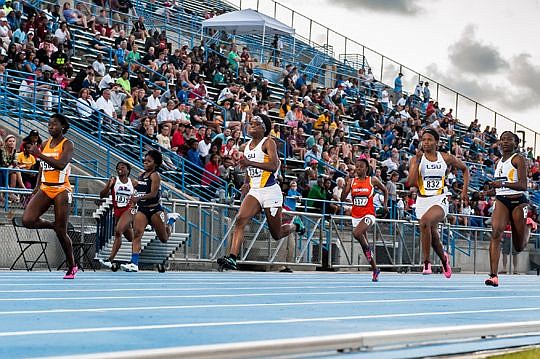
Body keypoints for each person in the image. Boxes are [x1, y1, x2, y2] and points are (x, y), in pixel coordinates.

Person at [217, 114, 305, 270]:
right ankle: (232, 257)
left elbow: (273, 165)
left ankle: (295, 225)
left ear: (264, 129)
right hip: (255, 190)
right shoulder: (246, 146)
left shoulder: (268, 143)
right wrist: (246, 183)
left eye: (256, 124)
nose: (251, 126)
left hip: (270, 191)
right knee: (240, 219)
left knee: (276, 234)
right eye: (251, 123)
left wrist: (250, 162)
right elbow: (247, 168)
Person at [407, 128, 469, 278]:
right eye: (424, 140)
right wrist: (416, 162)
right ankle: (444, 259)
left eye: (429, 139)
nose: (426, 142)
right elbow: (410, 183)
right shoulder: (416, 159)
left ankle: (426, 262)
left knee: (425, 222)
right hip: (422, 200)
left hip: (439, 199)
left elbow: (465, 169)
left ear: (436, 142)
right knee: (433, 238)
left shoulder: (445, 158)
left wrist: (464, 191)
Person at [21, 113, 77, 279]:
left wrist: (38, 154)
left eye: (54, 124)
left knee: (62, 232)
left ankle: (72, 264)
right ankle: (53, 225)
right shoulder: (45, 144)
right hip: (46, 187)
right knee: (28, 220)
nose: (50, 127)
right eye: (49, 124)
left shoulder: (68, 144)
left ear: (63, 127)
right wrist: (38, 186)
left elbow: (60, 165)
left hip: (61, 189)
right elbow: (42, 167)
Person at [485, 131, 532, 287]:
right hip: (502, 200)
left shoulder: (518, 159)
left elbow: (523, 186)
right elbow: (500, 186)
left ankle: (529, 226)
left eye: (509, 140)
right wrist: (488, 192)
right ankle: (493, 276)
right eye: (502, 139)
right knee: (496, 233)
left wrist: (502, 185)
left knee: (519, 246)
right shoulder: (498, 162)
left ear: (516, 144)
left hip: (519, 201)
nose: (505, 142)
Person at [122, 150, 179, 272]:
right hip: (142, 210)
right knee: (137, 234)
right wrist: (134, 186)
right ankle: (134, 263)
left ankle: (169, 222)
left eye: (149, 161)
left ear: (156, 164)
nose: (145, 163)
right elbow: (141, 187)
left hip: (154, 210)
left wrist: (138, 198)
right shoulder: (141, 175)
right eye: (145, 160)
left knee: (164, 238)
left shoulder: (155, 176)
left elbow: (153, 194)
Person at [341, 158, 388, 282]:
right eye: (357, 167)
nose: (358, 169)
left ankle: (368, 250)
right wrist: (346, 185)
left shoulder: (372, 180)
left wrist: (385, 205)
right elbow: (342, 198)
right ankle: (375, 269)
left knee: (356, 233)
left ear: (366, 168)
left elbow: (385, 190)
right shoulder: (351, 181)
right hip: (356, 216)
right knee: (364, 245)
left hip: (369, 215)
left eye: (361, 167)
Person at [98, 161, 137, 269]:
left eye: (123, 167)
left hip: (129, 210)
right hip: (118, 212)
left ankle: (110, 260)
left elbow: (142, 192)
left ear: (128, 170)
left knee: (118, 231)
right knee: (131, 238)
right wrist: (108, 186)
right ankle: (135, 259)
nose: (120, 169)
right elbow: (101, 195)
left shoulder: (133, 182)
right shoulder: (114, 180)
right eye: (118, 167)